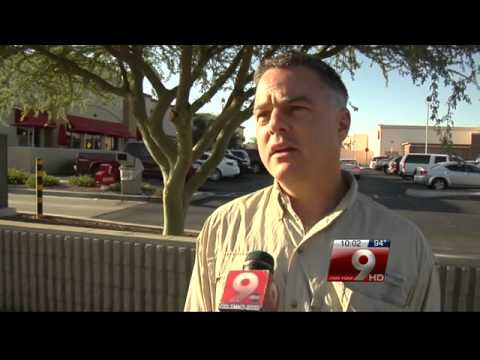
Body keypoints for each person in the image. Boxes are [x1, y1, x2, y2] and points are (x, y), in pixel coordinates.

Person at [185, 51, 440, 311]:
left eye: (295, 109)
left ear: (341, 125)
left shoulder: (403, 243)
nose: (274, 125)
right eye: (262, 114)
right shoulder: (224, 228)